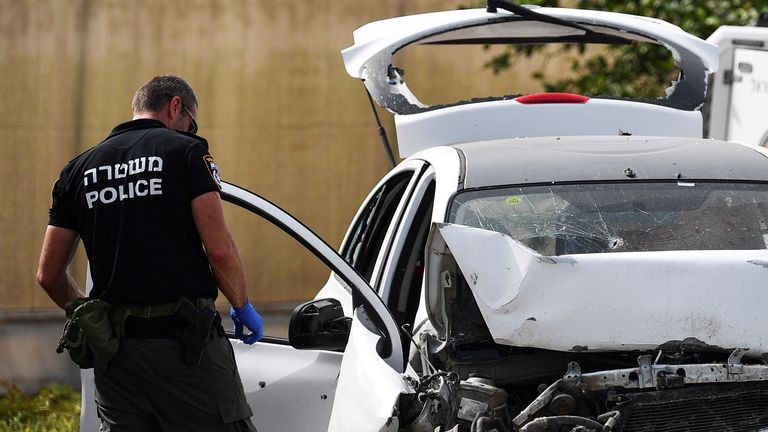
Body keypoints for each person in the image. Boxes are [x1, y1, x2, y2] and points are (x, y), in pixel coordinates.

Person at [36, 75, 263, 431]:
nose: (190, 130)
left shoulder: (77, 171)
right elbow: (219, 249)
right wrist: (241, 304)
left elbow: (48, 275)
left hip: (116, 358)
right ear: (175, 106)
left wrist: (91, 317)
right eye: (191, 122)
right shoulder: (186, 152)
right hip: (186, 346)